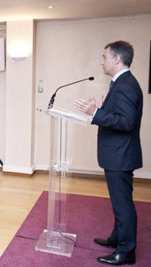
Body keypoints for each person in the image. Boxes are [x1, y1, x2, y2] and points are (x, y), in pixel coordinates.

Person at [75, 41, 143, 266]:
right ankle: (117, 238)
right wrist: (101, 110)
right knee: (119, 203)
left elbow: (126, 122)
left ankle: (126, 252)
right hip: (118, 154)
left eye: (104, 57)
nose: (102, 61)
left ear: (117, 59)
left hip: (120, 155)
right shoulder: (121, 82)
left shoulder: (126, 85)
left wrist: (95, 113)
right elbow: (119, 116)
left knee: (123, 205)